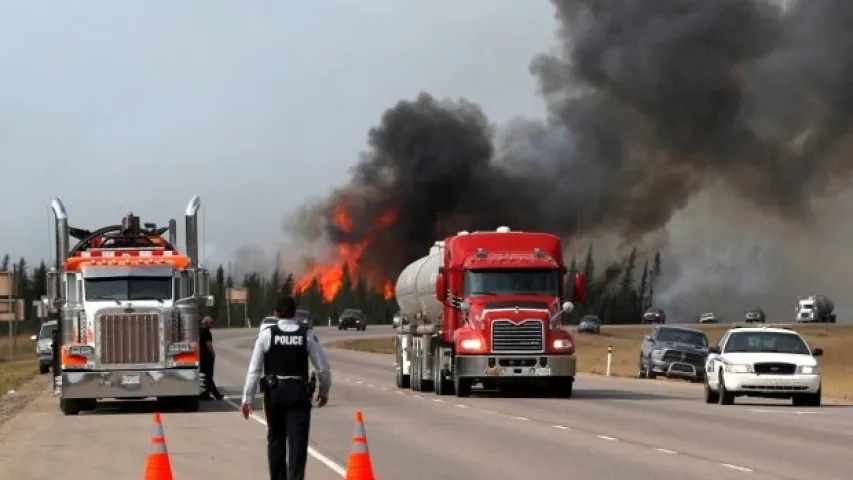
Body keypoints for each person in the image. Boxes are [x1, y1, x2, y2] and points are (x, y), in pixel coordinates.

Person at [241, 295, 331, 480]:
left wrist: (247, 399)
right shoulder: (305, 334)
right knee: (298, 444)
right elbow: (323, 368)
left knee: (276, 440)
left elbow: (254, 370)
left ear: (276, 313)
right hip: (298, 394)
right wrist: (324, 391)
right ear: (295, 313)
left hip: (274, 394)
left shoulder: (266, 334)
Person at [199, 316, 224, 400]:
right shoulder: (206, 332)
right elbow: (208, 344)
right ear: (206, 323)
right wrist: (213, 354)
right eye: (211, 322)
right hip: (206, 356)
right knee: (208, 376)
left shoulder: (200, 331)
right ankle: (210, 394)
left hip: (201, 356)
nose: (212, 324)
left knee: (205, 376)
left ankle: (212, 394)